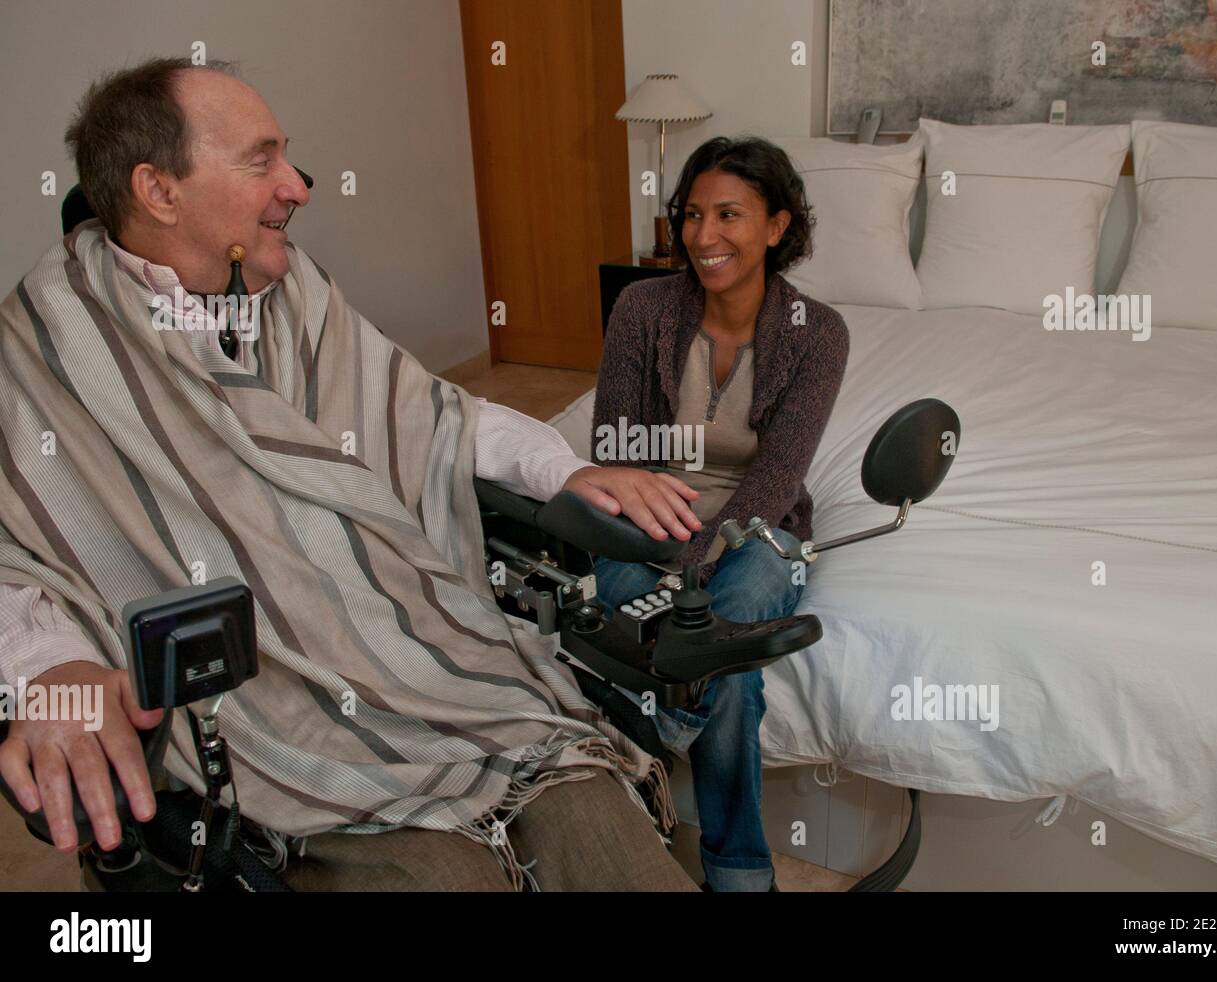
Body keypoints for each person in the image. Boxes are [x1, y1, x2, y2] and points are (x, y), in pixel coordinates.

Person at [0, 57, 707, 891]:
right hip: (256, 718)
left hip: (407, 657)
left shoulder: (292, 288)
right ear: (159, 191)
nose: (298, 185)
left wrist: (565, 468)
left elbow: (428, 413)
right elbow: (20, 542)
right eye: (261, 160)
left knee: (587, 800)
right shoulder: (43, 348)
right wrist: (48, 670)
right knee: (443, 873)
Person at [591, 136, 850, 891]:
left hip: (758, 527)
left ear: (777, 225)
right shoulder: (644, 307)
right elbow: (616, 442)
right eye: (693, 215)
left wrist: (694, 567)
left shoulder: (819, 333)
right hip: (646, 514)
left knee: (730, 614)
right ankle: (742, 876)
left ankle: (659, 722)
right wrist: (660, 534)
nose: (705, 237)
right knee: (729, 665)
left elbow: (776, 476)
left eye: (730, 214)